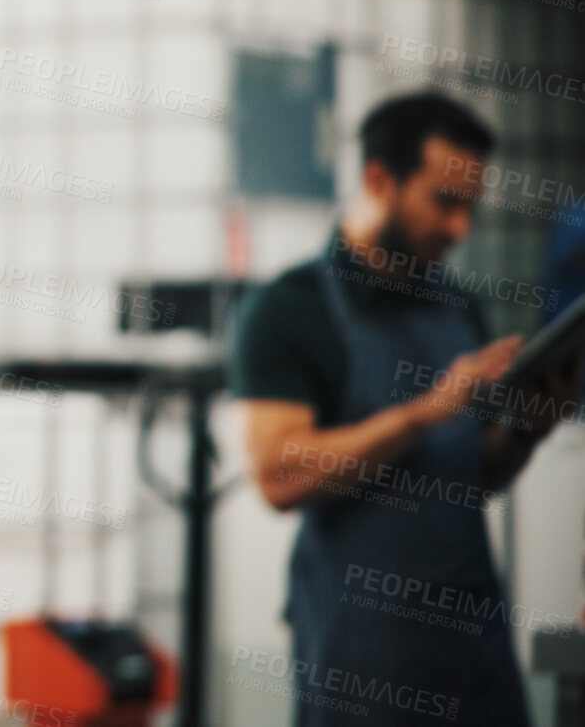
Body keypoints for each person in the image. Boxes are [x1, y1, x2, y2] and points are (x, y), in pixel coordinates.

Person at [232, 91, 580, 727]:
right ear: (378, 179)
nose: (460, 229)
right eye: (444, 203)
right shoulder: (290, 309)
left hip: (471, 640)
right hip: (361, 653)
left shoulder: (459, 306)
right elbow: (281, 475)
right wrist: (424, 413)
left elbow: (476, 474)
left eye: (469, 207)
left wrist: (526, 431)